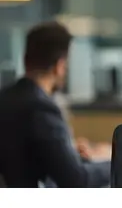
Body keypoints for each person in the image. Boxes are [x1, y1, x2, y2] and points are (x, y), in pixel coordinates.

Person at [0, 21, 111, 187]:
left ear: (25, 59)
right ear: (60, 66)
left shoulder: (6, 98)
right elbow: (77, 180)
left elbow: (31, 157)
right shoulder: (41, 108)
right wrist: (116, 161)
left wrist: (71, 152)